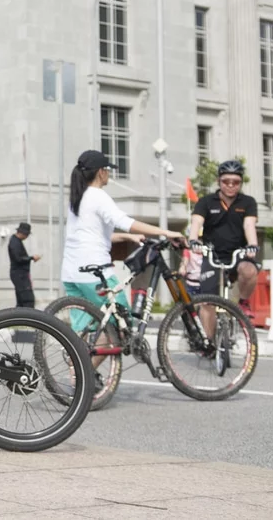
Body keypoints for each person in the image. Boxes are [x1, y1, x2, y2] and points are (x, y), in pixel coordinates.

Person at [62, 150, 184, 383]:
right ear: (101, 172)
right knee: (120, 326)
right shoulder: (98, 195)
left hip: (72, 273)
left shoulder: (77, 198)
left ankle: (78, 371)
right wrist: (166, 232)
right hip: (95, 273)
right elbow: (125, 222)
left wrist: (128, 239)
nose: (109, 174)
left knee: (87, 328)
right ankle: (81, 374)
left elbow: (92, 235)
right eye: (107, 169)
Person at [188, 159, 260, 331]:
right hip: (213, 255)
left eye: (235, 182)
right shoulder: (206, 202)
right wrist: (193, 240)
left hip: (238, 255)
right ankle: (210, 345)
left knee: (249, 271)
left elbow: (249, 225)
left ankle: (242, 303)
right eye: (226, 181)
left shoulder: (248, 202)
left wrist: (253, 245)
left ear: (241, 183)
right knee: (207, 302)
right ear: (218, 182)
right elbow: (196, 222)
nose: (230, 185)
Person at [8, 222, 41, 308]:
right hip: (19, 274)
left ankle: (20, 318)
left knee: (21, 300)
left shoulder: (16, 241)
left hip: (20, 274)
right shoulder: (14, 242)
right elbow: (18, 258)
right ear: (24, 233)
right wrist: (31, 258)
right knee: (27, 299)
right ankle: (28, 318)